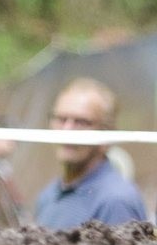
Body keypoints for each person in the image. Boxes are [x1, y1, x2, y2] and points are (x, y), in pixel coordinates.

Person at [34, 77, 147, 228]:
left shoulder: (116, 201)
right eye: (61, 119)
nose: (67, 130)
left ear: (107, 134)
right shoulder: (49, 194)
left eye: (81, 122)